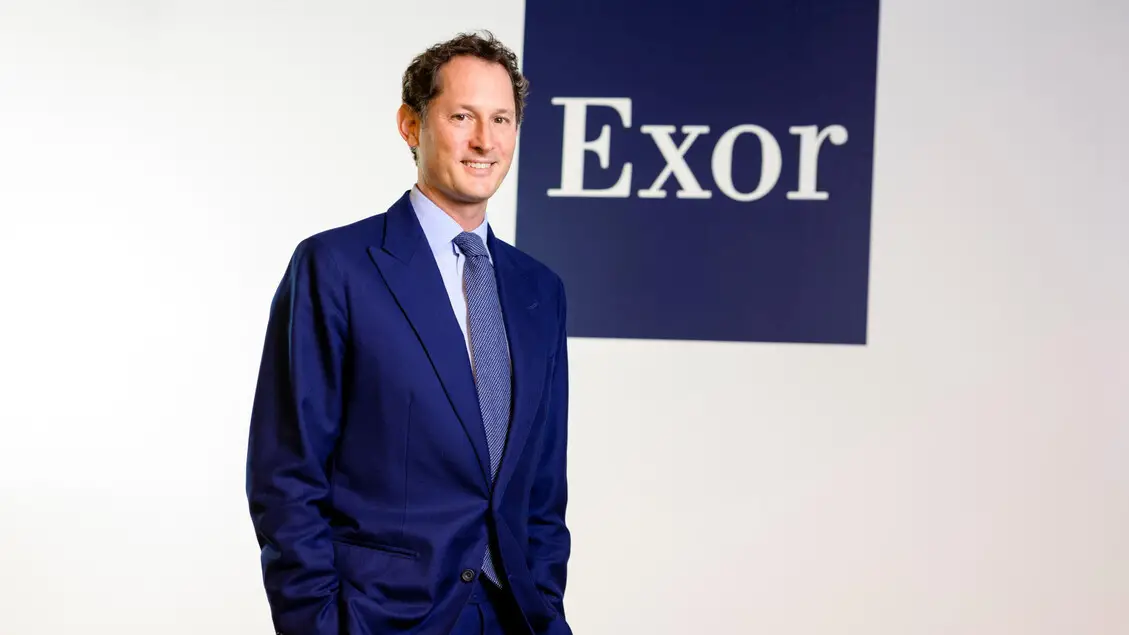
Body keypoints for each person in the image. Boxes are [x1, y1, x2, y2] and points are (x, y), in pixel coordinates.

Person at [245, 31, 572, 635]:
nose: (485, 140)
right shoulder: (336, 267)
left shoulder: (540, 291)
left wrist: (545, 607)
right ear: (411, 125)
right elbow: (286, 473)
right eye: (462, 116)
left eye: (501, 119)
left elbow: (544, 490)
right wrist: (318, 624)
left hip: (513, 617)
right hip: (380, 617)